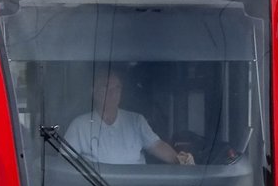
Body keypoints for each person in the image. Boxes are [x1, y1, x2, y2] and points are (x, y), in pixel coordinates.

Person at [63, 70, 194, 165]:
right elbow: (65, 162)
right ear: (94, 92)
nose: (112, 93)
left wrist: (181, 162)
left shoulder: (136, 120)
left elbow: (157, 146)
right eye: (106, 88)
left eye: (117, 88)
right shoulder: (79, 125)